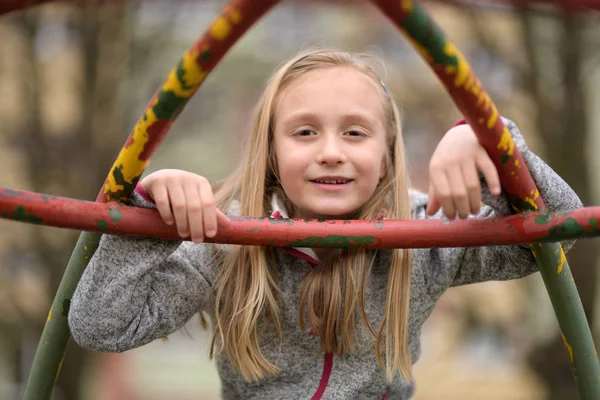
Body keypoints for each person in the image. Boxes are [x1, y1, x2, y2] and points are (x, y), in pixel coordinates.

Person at [68, 49, 582, 399]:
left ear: (387, 155)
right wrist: (146, 217)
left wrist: (488, 142)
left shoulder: (424, 231)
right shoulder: (226, 241)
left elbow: (553, 232)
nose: (331, 153)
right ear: (271, 152)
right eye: (305, 131)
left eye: (355, 133)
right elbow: (101, 324)